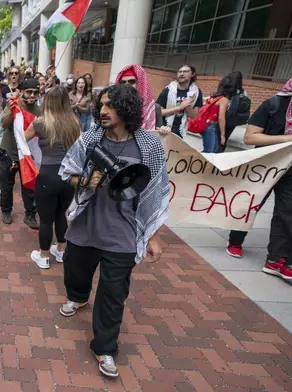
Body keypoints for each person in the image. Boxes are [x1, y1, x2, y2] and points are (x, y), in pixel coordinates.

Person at [58, 84, 169, 378]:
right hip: (86, 227)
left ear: (127, 109)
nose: (103, 111)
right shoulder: (90, 138)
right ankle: (79, 295)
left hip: (123, 233)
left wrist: (153, 234)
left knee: (113, 294)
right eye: (101, 106)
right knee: (76, 273)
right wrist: (85, 181)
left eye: (110, 106)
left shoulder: (148, 145)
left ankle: (105, 348)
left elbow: (156, 190)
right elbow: (65, 171)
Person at [242, 77, 292, 280]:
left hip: (290, 171)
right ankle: (235, 240)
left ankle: (277, 259)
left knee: (287, 212)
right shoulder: (274, 104)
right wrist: (288, 139)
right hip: (266, 166)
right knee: (250, 204)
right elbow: (250, 137)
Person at [25, 87, 81, 269]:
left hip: (48, 175)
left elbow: (21, 139)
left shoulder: (40, 123)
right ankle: (61, 250)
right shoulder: (75, 122)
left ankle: (44, 255)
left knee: (46, 219)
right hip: (69, 176)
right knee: (60, 214)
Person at [0, 78, 40, 229]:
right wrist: (10, 110)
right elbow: (3, 124)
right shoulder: (13, 103)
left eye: (35, 93)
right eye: (29, 92)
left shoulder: (39, 110)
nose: (31, 95)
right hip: (9, 152)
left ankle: (30, 215)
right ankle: (6, 211)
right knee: (7, 185)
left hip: (28, 155)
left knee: (29, 186)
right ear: (23, 92)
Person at [157, 64, 203, 138]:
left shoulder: (196, 92)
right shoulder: (168, 90)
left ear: (192, 74)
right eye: (180, 72)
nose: (181, 74)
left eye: (185, 71)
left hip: (180, 131)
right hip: (163, 128)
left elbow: (194, 116)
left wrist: (188, 106)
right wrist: (179, 107)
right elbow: (159, 112)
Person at [115, 65, 160, 131]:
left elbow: (158, 131)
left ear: (139, 83)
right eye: (123, 82)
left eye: (131, 81)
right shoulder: (114, 105)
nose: (127, 85)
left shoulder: (154, 108)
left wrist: (163, 130)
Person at [201, 77, 232, 153]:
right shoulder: (224, 99)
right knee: (209, 152)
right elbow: (221, 117)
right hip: (211, 126)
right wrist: (223, 134)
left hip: (205, 124)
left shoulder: (214, 96)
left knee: (213, 150)